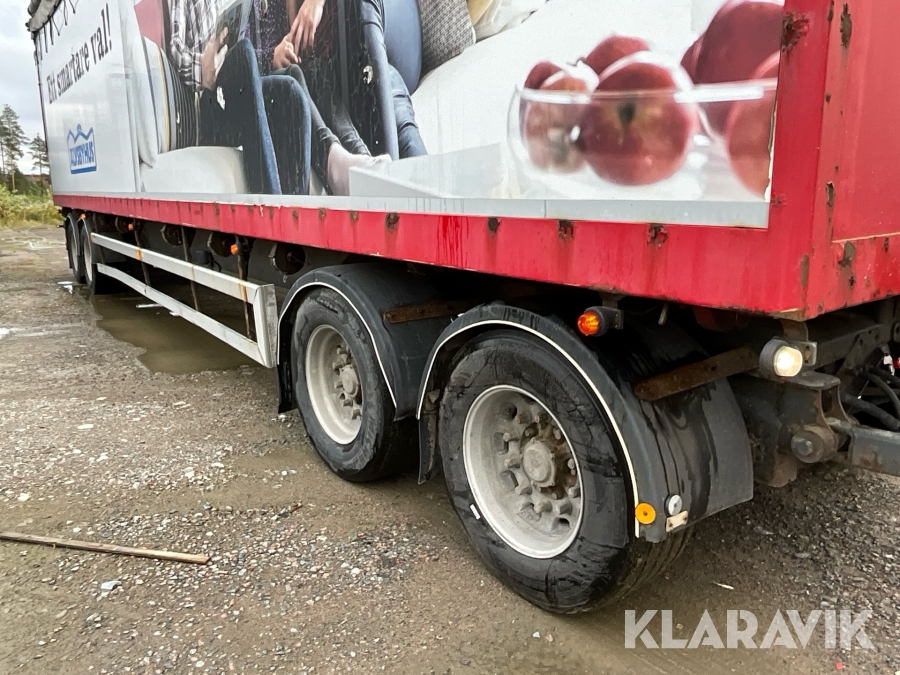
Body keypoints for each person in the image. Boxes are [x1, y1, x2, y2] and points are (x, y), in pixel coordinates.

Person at [249, 0, 389, 195]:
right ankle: (333, 163)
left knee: (316, 72)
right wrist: (270, 57)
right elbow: (237, 54)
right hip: (262, 86)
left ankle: (360, 153)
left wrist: (291, 43)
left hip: (293, 72)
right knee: (293, 77)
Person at [168, 0, 284, 195]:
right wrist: (201, 70)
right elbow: (175, 48)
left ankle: (297, 208)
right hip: (207, 101)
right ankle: (271, 204)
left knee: (290, 85)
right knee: (244, 52)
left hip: (234, 96)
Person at [287, 0, 427, 161]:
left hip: (389, 21)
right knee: (399, 115)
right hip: (363, 70)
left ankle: (386, 170)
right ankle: (414, 167)